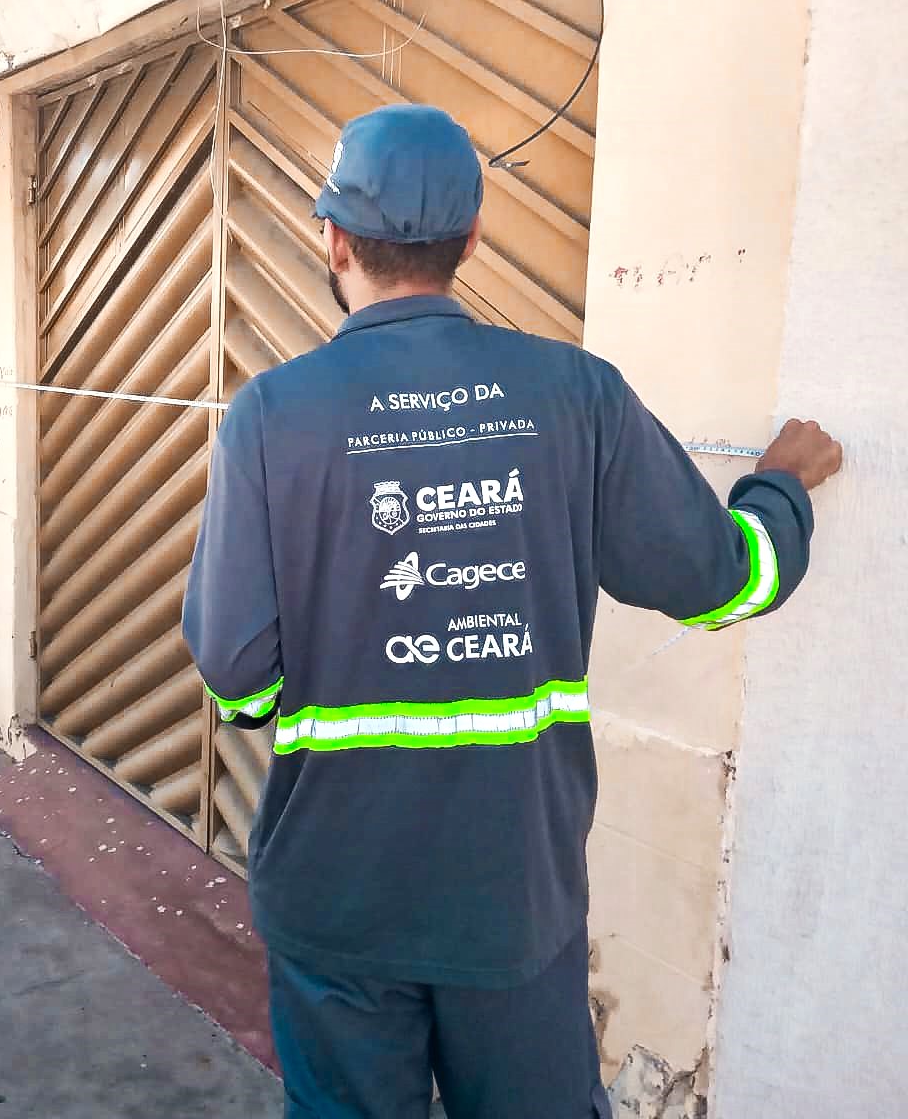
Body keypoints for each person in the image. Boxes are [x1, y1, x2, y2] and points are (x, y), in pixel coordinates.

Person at [182, 105, 842, 1119]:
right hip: (511, 896)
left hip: (336, 889)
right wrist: (778, 489)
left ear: (333, 238)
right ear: (472, 239)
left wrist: (313, 680)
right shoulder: (574, 395)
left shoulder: (273, 415)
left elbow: (238, 669)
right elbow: (726, 584)